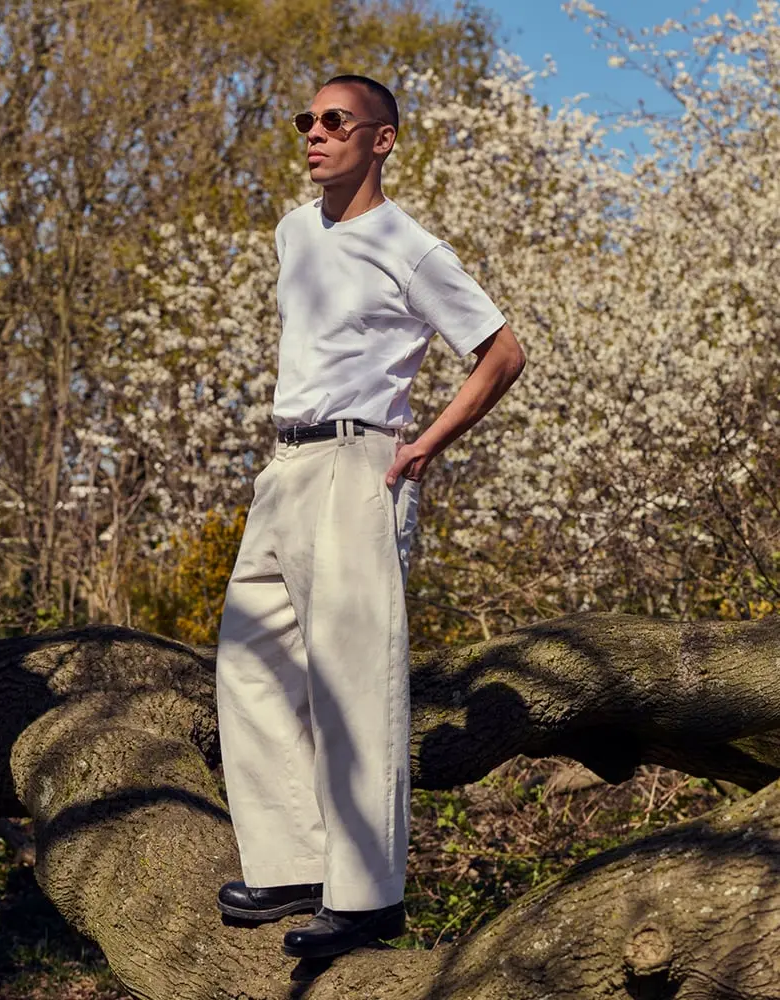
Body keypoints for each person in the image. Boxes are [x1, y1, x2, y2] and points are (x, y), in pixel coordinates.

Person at [215, 73, 525, 961]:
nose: (314, 134)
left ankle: (366, 897)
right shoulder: (292, 231)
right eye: (306, 121)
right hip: (284, 462)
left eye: (335, 121)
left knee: (352, 679)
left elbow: (501, 354)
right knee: (251, 659)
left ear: (380, 139)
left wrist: (424, 444)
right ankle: (289, 863)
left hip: (362, 461)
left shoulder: (410, 246)